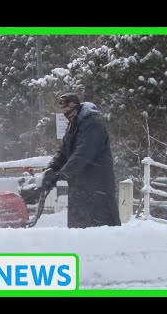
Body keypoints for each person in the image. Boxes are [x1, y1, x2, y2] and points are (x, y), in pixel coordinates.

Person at [41, 93, 121, 229]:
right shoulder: (73, 126)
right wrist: (50, 170)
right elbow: (63, 151)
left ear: (77, 107)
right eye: (64, 111)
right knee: (79, 229)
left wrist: (62, 175)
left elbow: (84, 153)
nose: (67, 114)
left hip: (97, 185)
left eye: (69, 110)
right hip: (80, 187)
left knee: (101, 229)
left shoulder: (93, 124)